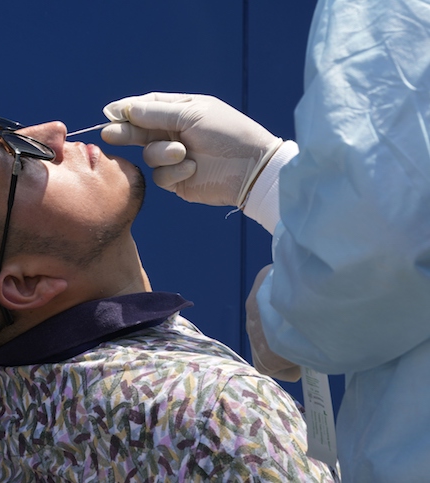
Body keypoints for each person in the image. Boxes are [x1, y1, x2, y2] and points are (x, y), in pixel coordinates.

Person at [0, 115, 336, 481]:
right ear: (27, 284)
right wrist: (271, 182)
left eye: (7, 127)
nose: (53, 132)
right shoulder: (220, 410)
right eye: (20, 156)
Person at [101, 2, 430, 482]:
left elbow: (381, 252)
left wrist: (286, 316)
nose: (53, 134)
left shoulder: (216, 406)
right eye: (15, 153)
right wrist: (266, 175)